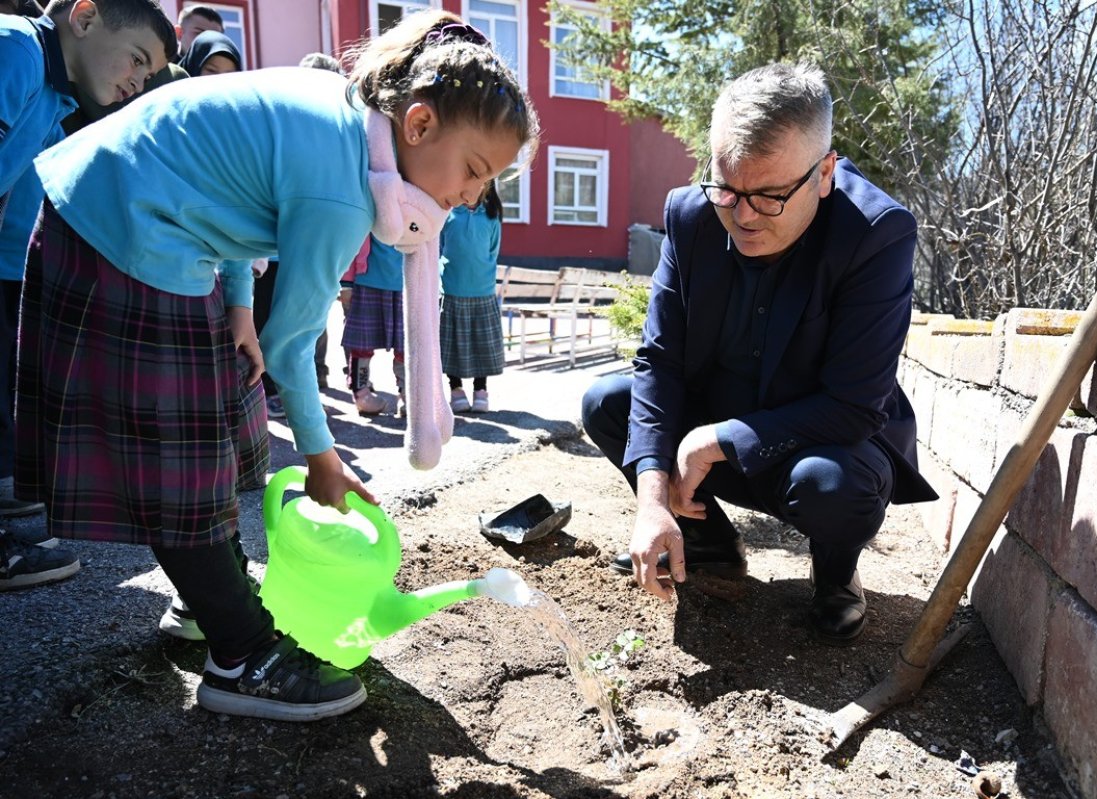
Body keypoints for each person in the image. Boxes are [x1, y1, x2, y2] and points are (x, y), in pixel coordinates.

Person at [19, 9, 537, 719]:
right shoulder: (343, 187)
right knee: (182, 458)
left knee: (221, 425)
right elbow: (295, 346)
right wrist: (323, 460)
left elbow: (226, 187)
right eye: (474, 171)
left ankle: (210, 600)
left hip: (130, 214)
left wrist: (237, 304)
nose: (474, 196)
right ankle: (240, 656)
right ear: (418, 124)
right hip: (122, 224)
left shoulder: (348, 121)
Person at [581, 62, 937, 645]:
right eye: (728, 187)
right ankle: (706, 544)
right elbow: (660, 362)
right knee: (608, 403)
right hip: (718, 429)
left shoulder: (875, 233)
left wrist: (715, 440)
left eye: (770, 196)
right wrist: (651, 500)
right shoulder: (692, 217)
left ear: (824, 173)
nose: (742, 216)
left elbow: (853, 405)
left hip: (818, 445)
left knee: (832, 486)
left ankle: (836, 575)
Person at [0, 0, 175, 590]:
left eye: (149, 74)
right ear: (84, 17)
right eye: (137, 59)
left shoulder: (58, 99)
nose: (137, 82)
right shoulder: (16, 50)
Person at [253, 51, 345, 420]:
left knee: (305, 324)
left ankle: (298, 393)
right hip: (269, 250)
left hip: (305, 251)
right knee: (266, 321)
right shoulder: (282, 127)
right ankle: (268, 390)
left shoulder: (333, 137)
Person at [439, 181, 504, 414]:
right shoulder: (448, 213)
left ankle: (480, 389)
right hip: (452, 289)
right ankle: (455, 389)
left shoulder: (491, 216)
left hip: (482, 291)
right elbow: (439, 247)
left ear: (489, 187)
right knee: (451, 344)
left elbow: (493, 251)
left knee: (481, 344)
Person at [341, 235, 407, 416]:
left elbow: (422, 233)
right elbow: (351, 240)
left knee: (405, 344)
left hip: (405, 283)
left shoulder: (414, 217)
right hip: (366, 280)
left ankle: (407, 392)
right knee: (362, 343)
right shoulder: (367, 215)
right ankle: (361, 393)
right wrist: (346, 284)